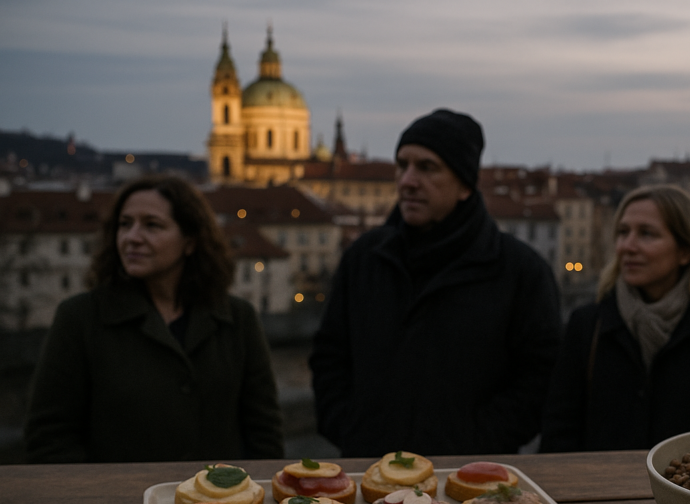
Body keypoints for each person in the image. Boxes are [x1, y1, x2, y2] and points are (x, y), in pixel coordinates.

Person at [309, 108, 561, 459]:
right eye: (403, 165)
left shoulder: (521, 271)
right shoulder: (364, 258)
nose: (407, 181)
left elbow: (541, 380)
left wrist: (477, 442)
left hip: (469, 479)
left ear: (464, 185)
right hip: (371, 469)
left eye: (427, 168)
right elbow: (329, 357)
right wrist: (352, 428)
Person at [24, 176, 284, 463]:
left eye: (152, 225)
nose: (132, 237)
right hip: (119, 503)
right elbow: (49, 437)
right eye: (125, 224)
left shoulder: (238, 318)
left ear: (189, 242)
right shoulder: (79, 318)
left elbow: (265, 434)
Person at [540, 185, 690, 453]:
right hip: (601, 491)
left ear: (686, 251)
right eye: (623, 232)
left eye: (646, 234)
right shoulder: (587, 325)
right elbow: (558, 433)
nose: (627, 246)